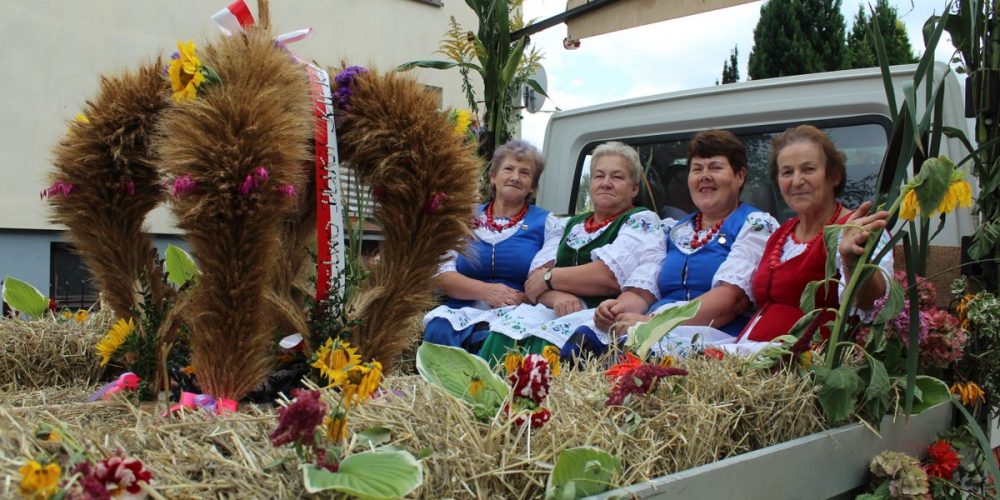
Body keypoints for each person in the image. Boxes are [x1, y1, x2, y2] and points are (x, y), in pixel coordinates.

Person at [562, 130, 779, 358]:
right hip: (653, 325)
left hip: (711, 331)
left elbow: (731, 299)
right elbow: (643, 291)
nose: (704, 176)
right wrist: (616, 310)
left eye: (715, 167)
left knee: (635, 352)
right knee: (584, 339)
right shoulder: (673, 229)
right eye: (697, 169)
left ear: (740, 176)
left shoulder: (755, 226)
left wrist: (652, 322)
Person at [476, 141, 661, 363]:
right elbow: (533, 282)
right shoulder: (568, 225)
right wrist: (556, 296)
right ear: (590, 183)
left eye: (617, 177)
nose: (606, 183)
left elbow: (607, 276)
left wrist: (550, 277)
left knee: (546, 346)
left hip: (599, 317)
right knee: (503, 334)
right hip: (555, 311)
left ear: (634, 188)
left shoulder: (642, 221)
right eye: (599, 176)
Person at [739, 124, 891, 342]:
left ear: (834, 176)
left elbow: (872, 305)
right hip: (751, 357)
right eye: (787, 172)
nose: (797, 181)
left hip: (810, 363)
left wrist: (853, 262)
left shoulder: (857, 228)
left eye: (809, 169)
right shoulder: (781, 232)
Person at [421, 139, 561, 353]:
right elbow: (442, 276)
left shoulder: (547, 223)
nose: (515, 177)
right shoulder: (463, 217)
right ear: (493, 176)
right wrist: (487, 291)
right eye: (508, 169)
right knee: (438, 331)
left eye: (525, 173)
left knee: (499, 342)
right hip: (463, 310)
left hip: (516, 313)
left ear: (532, 186)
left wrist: (522, 298)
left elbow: (541, 279)